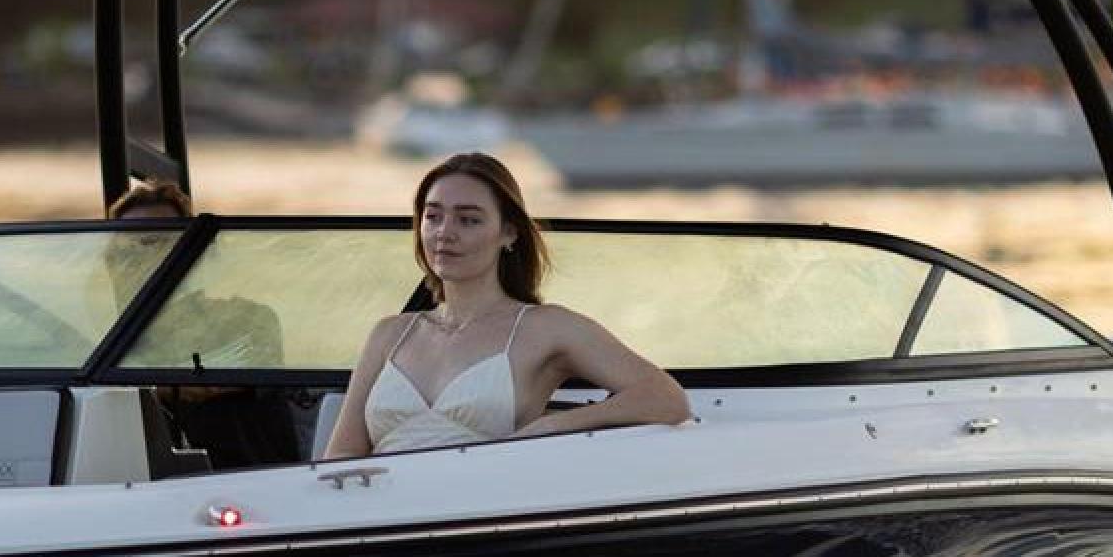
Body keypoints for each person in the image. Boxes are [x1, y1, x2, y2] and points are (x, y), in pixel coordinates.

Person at [322, 153, 689, 459]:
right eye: (433, 216)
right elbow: (339, 461)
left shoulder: (545, 328)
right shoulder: (390, 334)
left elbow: (666, 398)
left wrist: (552, 426)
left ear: (509, 233)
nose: (444, 232)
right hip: (381, 523)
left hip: (486, 521)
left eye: (468, 220)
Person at [105, 177, 303, 467]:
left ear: (190, 252)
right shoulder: (109, 344)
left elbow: (214, 383)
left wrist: (125, 388)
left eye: (160, 242)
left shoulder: (248, 319)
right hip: (137, 483)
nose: (145, 256)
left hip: (247, 478)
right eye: (131, 248)